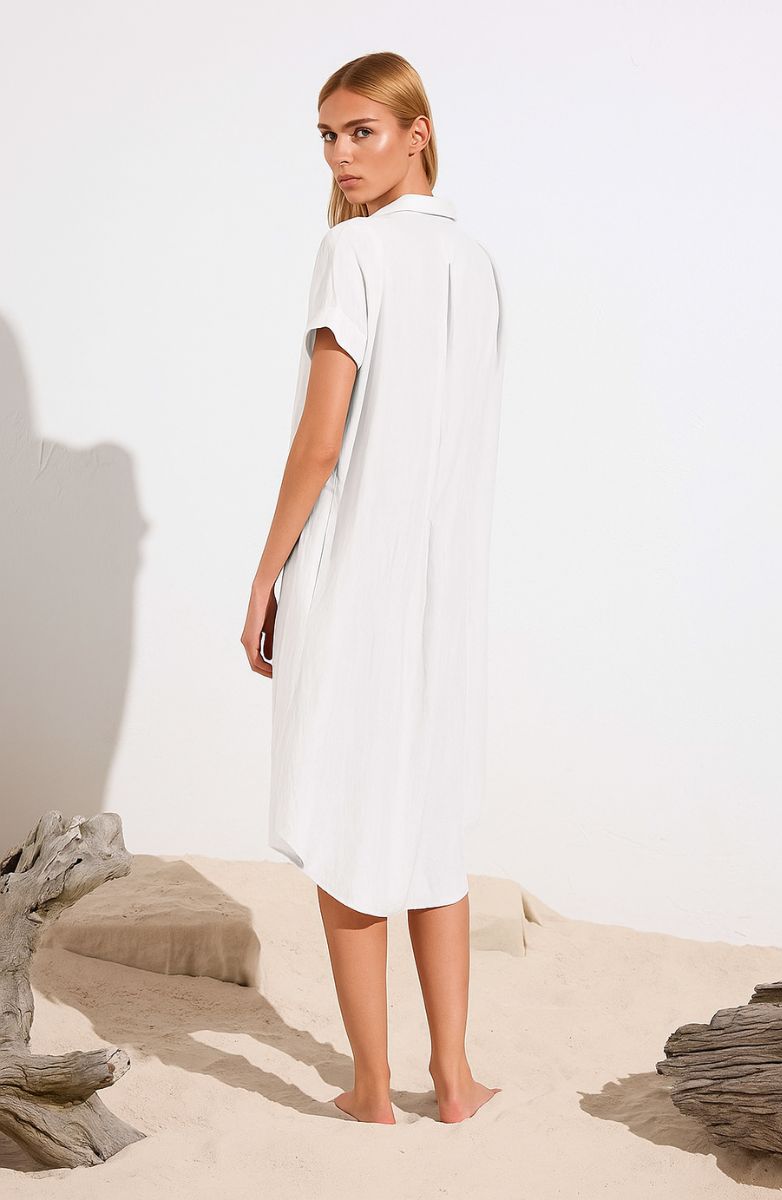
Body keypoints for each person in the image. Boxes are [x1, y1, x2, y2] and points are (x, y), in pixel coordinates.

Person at [241, 51, 505, 1125]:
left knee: (351, 819)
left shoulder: (351, 252)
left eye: (360, 131)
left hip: (353, 584)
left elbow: (319, 441)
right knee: (431, 825)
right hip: (443, 595)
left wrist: (264, 576)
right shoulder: (478, 262)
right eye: (327, 136)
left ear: (417, 132)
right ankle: (452, 1079)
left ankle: (368, 1085)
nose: (341, 155)